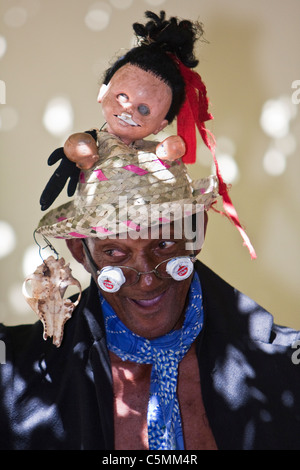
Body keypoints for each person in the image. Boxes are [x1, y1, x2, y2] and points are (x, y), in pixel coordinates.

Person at [1, 11, 300, 451]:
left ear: (195, 233)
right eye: (115, 251)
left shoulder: (286, 368)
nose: (145, 275)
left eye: (162, 243)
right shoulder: (14, 377)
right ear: (81, 254)